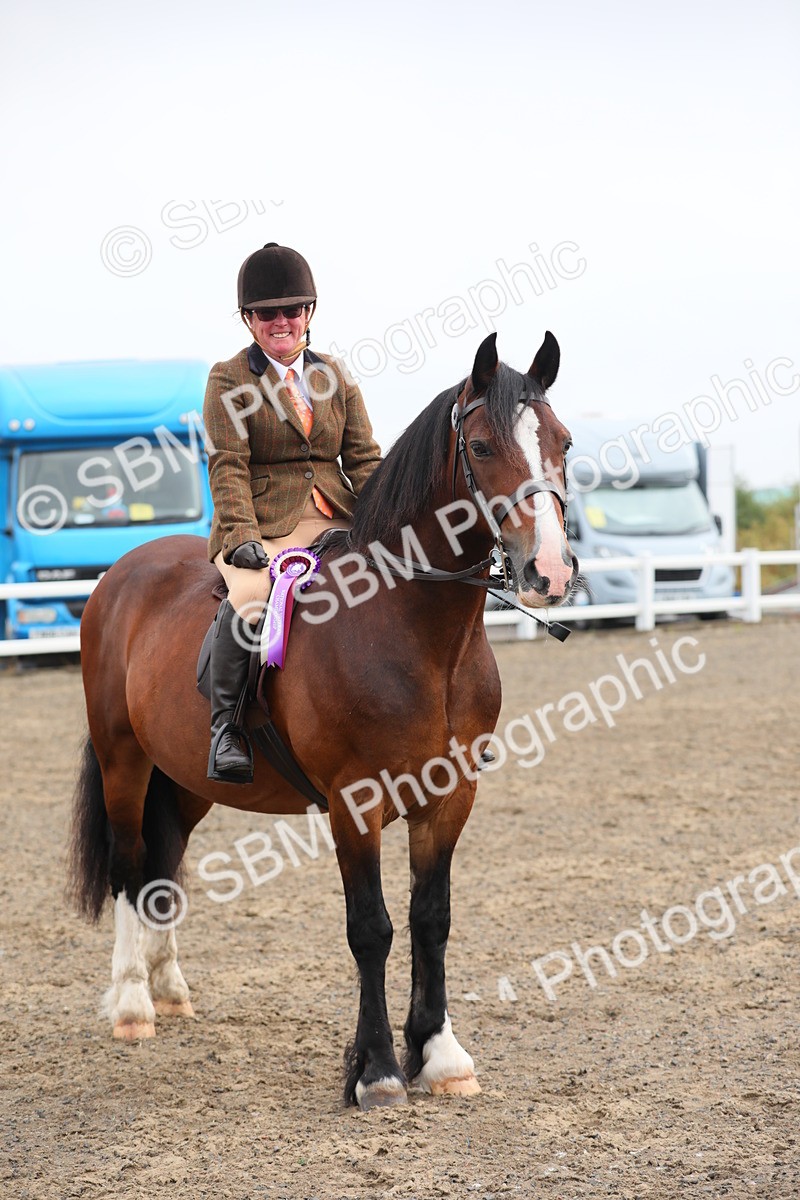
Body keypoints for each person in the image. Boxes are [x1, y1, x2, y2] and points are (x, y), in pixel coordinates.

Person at [203, 243, 382, 784]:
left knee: (403, 585)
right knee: (253, 599)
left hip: (337, 516)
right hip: (263, 524)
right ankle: (226, 727)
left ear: (309, 312)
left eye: (291, 310)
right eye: (266, 313)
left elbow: (363, 457)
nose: (280, 321)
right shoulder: (229, 378)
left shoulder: (334, 374)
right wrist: (239, 534)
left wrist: (390, 518)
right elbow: (228, 463)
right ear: (248, 319)